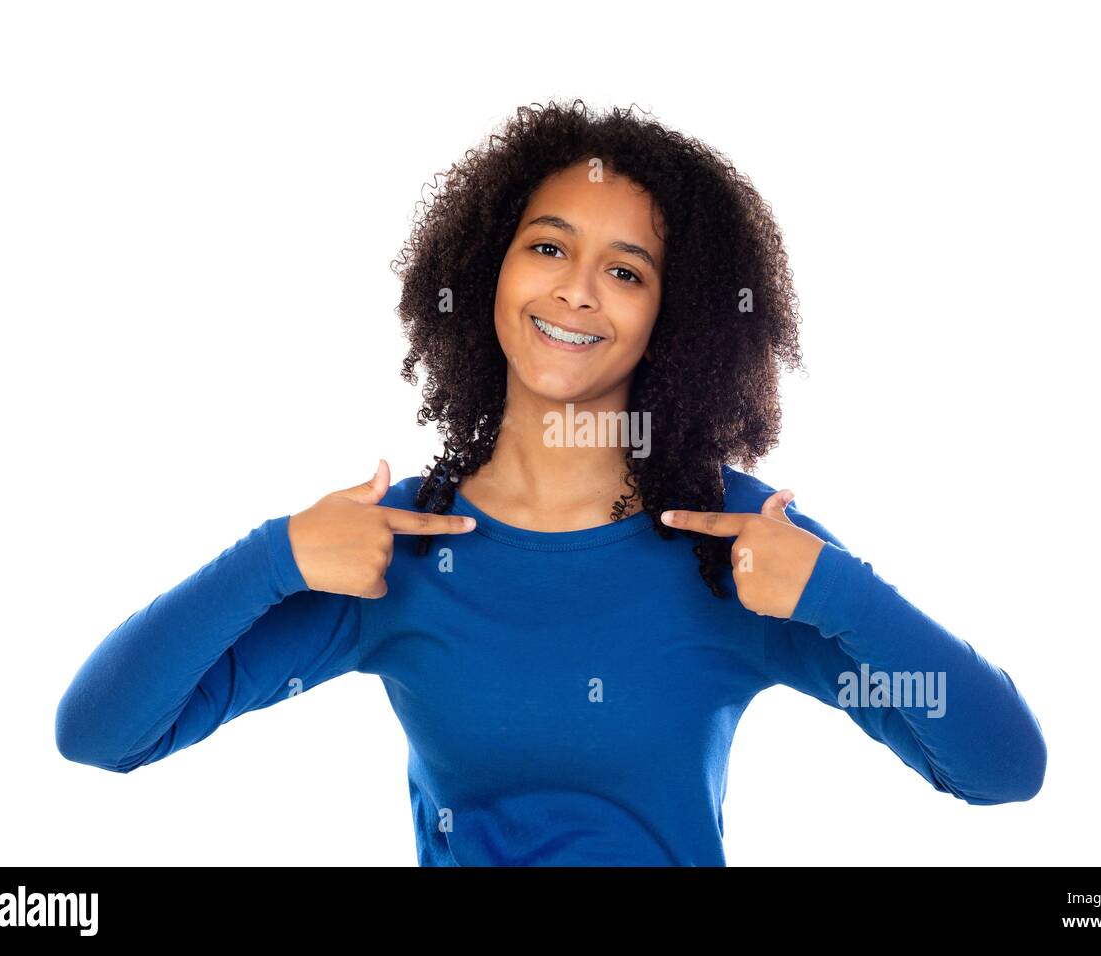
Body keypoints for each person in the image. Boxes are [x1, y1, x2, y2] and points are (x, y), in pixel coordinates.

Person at [56, 99, 1047, 866]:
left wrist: (834, 590)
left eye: (625, 270)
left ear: (677, 314)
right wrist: (270, 557)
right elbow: (100, 734)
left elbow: (1003, 767)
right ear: (489, 268)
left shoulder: (735, 547)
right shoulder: (394, 548)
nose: (574, 287)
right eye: (547, 246)